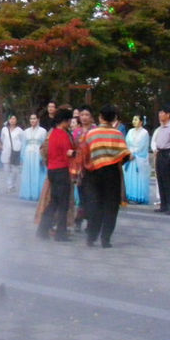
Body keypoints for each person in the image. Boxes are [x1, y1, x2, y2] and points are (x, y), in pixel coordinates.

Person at [81, 105, 131, 248]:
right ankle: (105, 239)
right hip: (111, 174)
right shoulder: (117, 134)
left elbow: (84, 153)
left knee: (94, 205)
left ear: (100, 117)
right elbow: (125, 155)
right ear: (114, 118)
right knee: (111, 206)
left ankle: (91, 237)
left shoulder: (91, 134)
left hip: (93, 173)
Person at [36, 108, 76, 242]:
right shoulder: (63, 134)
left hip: (52, 170)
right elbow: (68, 153)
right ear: (64, 120)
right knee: (62, 204)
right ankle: (60, 233)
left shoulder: (52, 133)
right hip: (62, 171)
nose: (70, 122)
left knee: (54, 201)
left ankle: (43, 229)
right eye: (69, 120)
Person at [19, 113, 47, 201]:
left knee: (37, 172)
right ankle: (27, 193)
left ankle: (37, 194)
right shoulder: (26, 131)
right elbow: (23, 144)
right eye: (31, 119)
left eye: (34, 118)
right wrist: (22, 157)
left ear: (38, 120)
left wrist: (43, 157)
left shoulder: (43, 131)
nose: (32, 120)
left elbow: (45, 145)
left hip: (37, 154)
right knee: (27, 173)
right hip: (28, 153)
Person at [123, 115, 151, 204]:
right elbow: (126, 143)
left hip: (138, 158)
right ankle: (128, 195)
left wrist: (134, 154)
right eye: (133, 119)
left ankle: (138, 197)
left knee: (138, 178)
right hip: (129, 156)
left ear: (141, 122)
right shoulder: (130, 131)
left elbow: (142, 146)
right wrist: (128, 153)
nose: (134, 121)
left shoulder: (144, 133)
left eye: (136, 119)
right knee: (128, 177)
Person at [0, 114, 24, 193]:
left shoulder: (20, 130)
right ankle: (9, 186)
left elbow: (22, 141)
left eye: (14, 119)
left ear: (16, 120)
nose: (12, 120)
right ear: (8, 120)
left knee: (15, 170)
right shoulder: (4, 129)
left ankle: (12, 184)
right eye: (11, 119)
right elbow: (2, 139)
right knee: (6, 169)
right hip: (6, 151)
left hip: (16, 152)